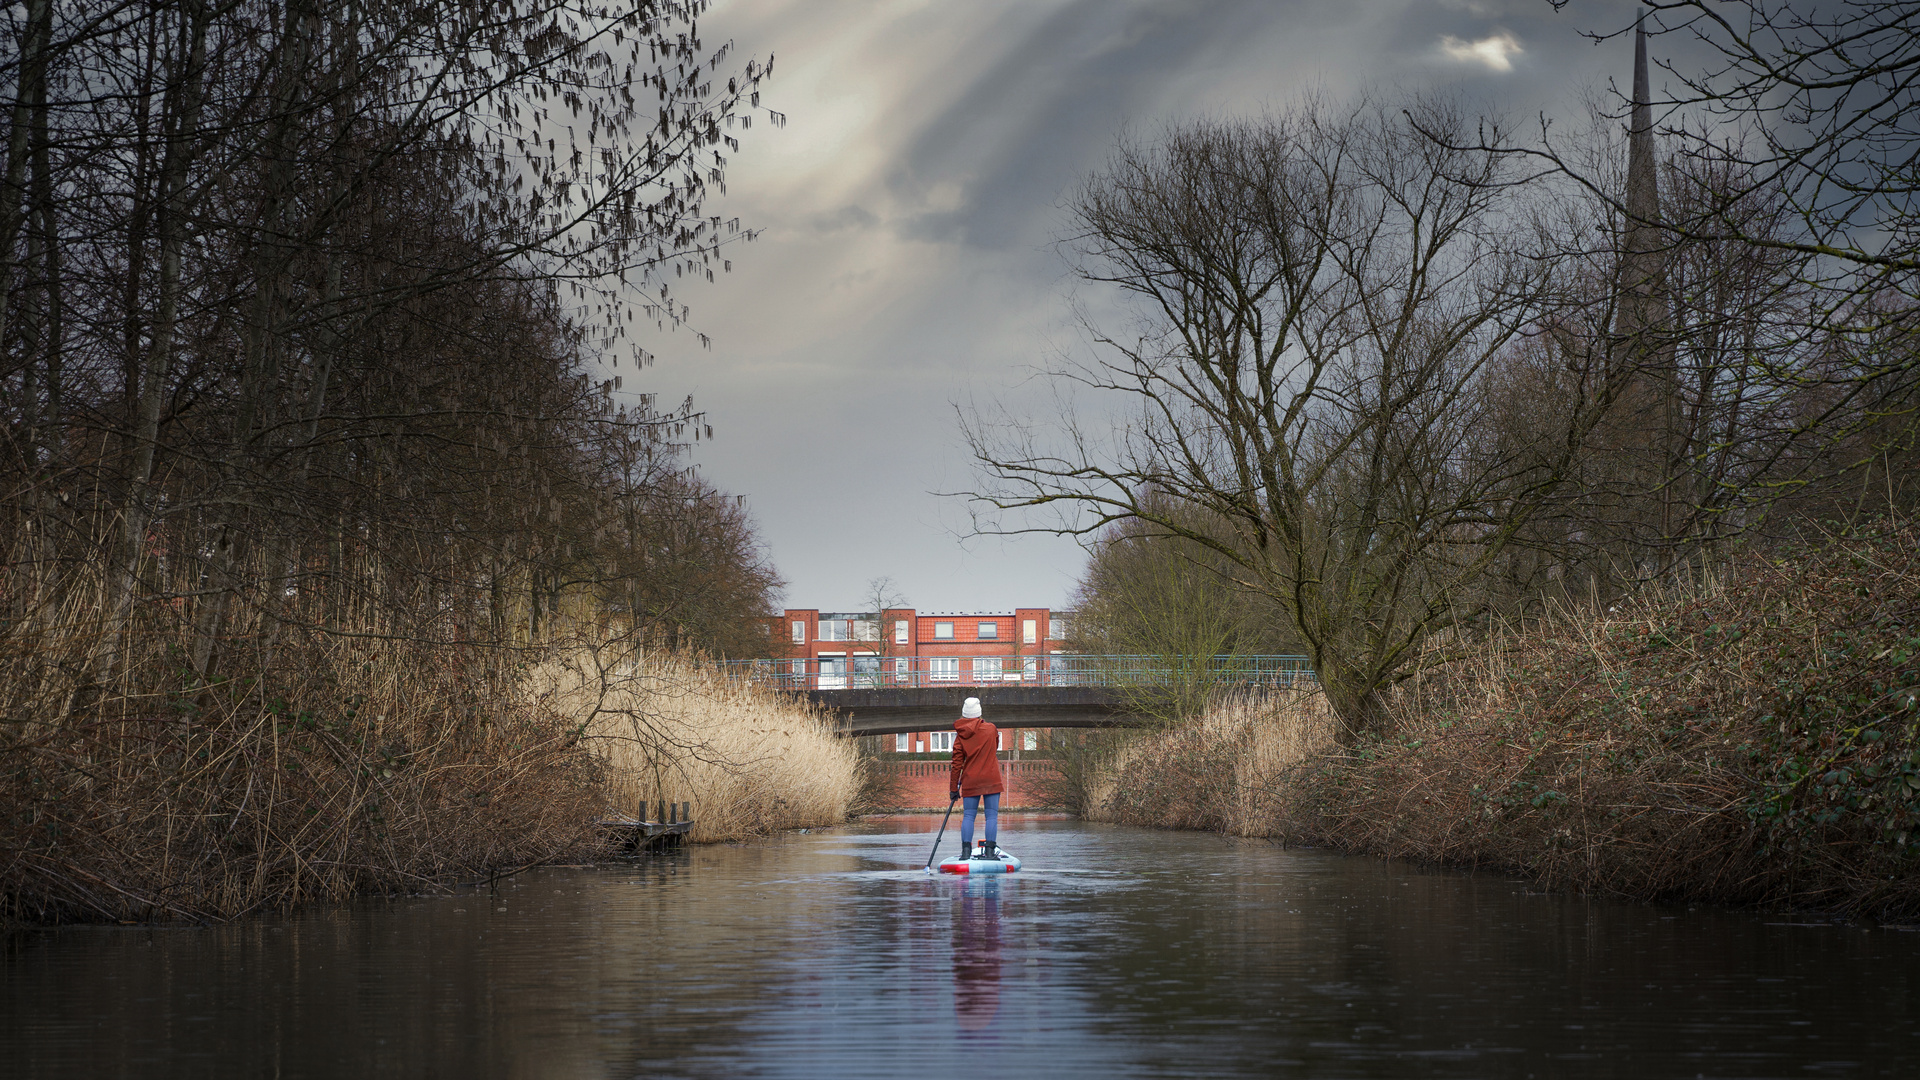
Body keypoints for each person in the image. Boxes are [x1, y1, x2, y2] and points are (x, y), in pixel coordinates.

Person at [949, 696, 1005, 859]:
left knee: (968, 815)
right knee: (991, 816)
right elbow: (995, 746)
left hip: (970, 780)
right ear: (979, 713)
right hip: (991, 779)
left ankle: (966, 852)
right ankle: (989, 852)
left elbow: (956, 763)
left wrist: (953, 788)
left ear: (964, 714)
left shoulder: (960, 735)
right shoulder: (991, 728)